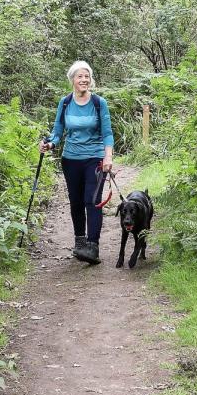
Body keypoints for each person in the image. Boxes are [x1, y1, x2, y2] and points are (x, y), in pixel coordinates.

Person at [40, 60, 114, 265]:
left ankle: (93, 246)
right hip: (70, 159)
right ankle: (79, 242)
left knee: (92, 200)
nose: (84, 80)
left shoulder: (99, 103)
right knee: (76, 202)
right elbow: (57, 132)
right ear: (72, 79)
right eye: (80, 76)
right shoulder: (65, 102)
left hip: (95, 158)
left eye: (87, 76)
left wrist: (108, 156)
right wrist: (50, 145)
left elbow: (107, 134)